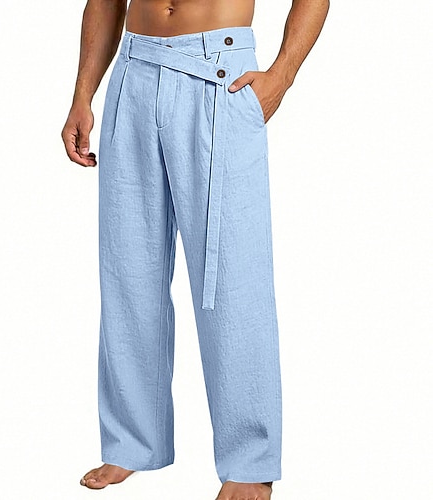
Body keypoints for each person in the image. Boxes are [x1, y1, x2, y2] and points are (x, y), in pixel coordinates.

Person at [61, 0, 329, 498]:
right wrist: (83, 95)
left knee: (233, 282)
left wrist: (282, 76)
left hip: (219, 74)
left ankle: (250, 463)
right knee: (128, 274)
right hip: (134, 71)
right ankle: (132, 443)